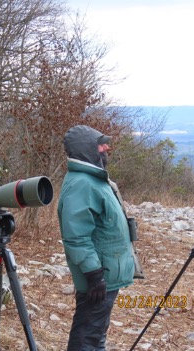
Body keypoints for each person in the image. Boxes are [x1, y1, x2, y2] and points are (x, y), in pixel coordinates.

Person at [57, 124, 134, 351]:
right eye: (101, 144)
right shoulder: (81, 184)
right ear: (87, 148)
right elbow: (76, 236)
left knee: (95, 331)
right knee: (88, 335)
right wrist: (94, 275)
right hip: (100, 275)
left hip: (106, 274)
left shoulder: (93, 179)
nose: (106, 147)